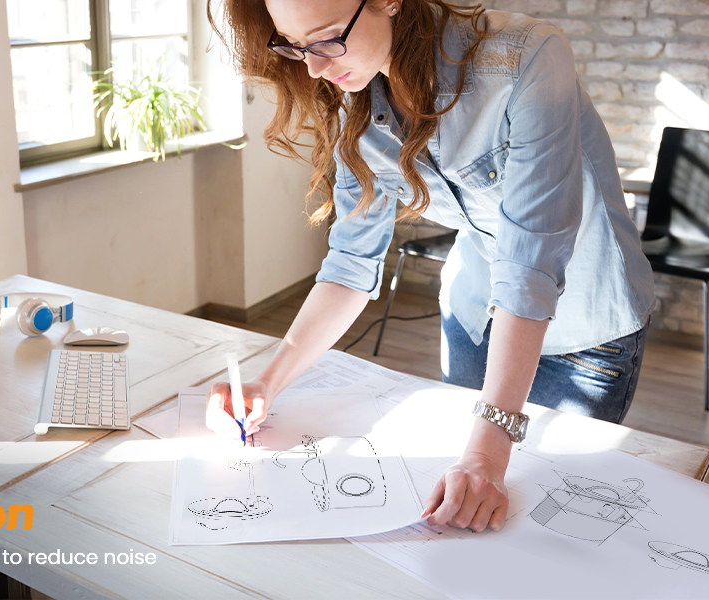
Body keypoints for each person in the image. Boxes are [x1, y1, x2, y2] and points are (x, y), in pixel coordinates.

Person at [204, 0, 655, 533]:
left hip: (584, 325)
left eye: (326, 39)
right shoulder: (351, 86)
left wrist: (488, 453)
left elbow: (531, 263)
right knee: (460, 516)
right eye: (295, 45)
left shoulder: (528, 57)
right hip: (473, 313)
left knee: (544, 525)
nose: (314, 68)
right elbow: (351, 259)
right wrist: (268, 381)